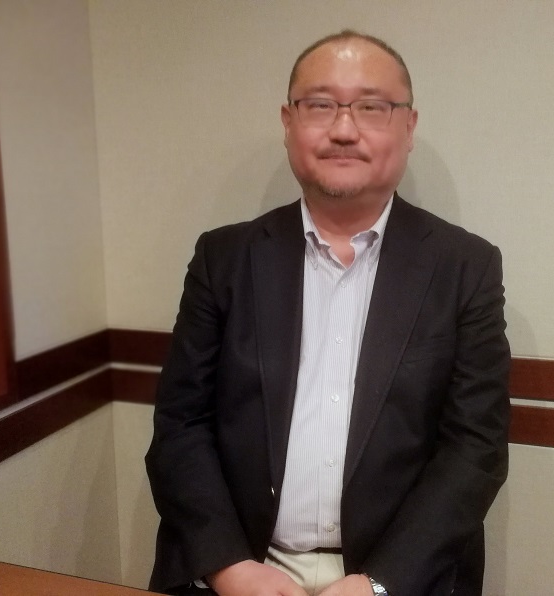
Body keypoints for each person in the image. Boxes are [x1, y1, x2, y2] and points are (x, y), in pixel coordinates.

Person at [146, 30, 510, 596]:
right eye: (320, 105)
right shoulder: (224, 258)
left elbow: (474, 449)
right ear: (288, 122)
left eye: (371, 107)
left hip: (396, 580)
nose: (343, 129)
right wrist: (230, 568)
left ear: (408, 127)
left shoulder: (466, 266)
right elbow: (180, 425)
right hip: (243, 569)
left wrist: (380, 584)